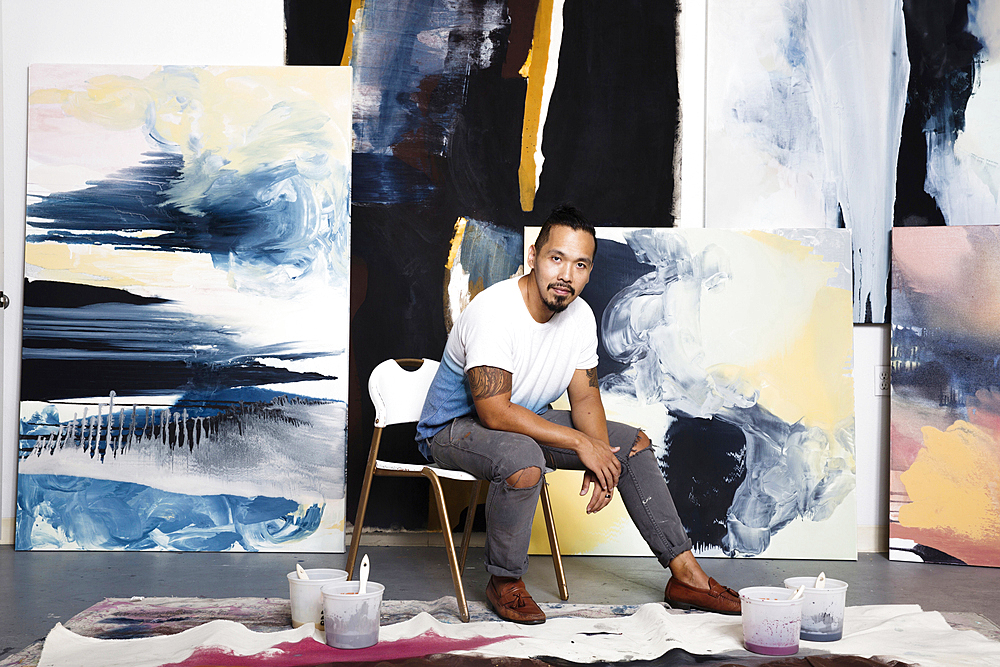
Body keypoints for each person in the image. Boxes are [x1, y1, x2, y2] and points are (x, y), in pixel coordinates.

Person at [415, 205, 740, 624]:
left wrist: (604, 455)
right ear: (534, 256)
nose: (566, 274)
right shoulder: (494, 311)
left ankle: (687, 577)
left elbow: (585, 400)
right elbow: (494, 412)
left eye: (580, 264)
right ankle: (505, 582)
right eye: (557, 258)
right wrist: (582, 444)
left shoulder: (580, 317)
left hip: (527, 419)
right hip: (453, 429)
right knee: (523, 459)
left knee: (633, 445)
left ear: (589, 271)